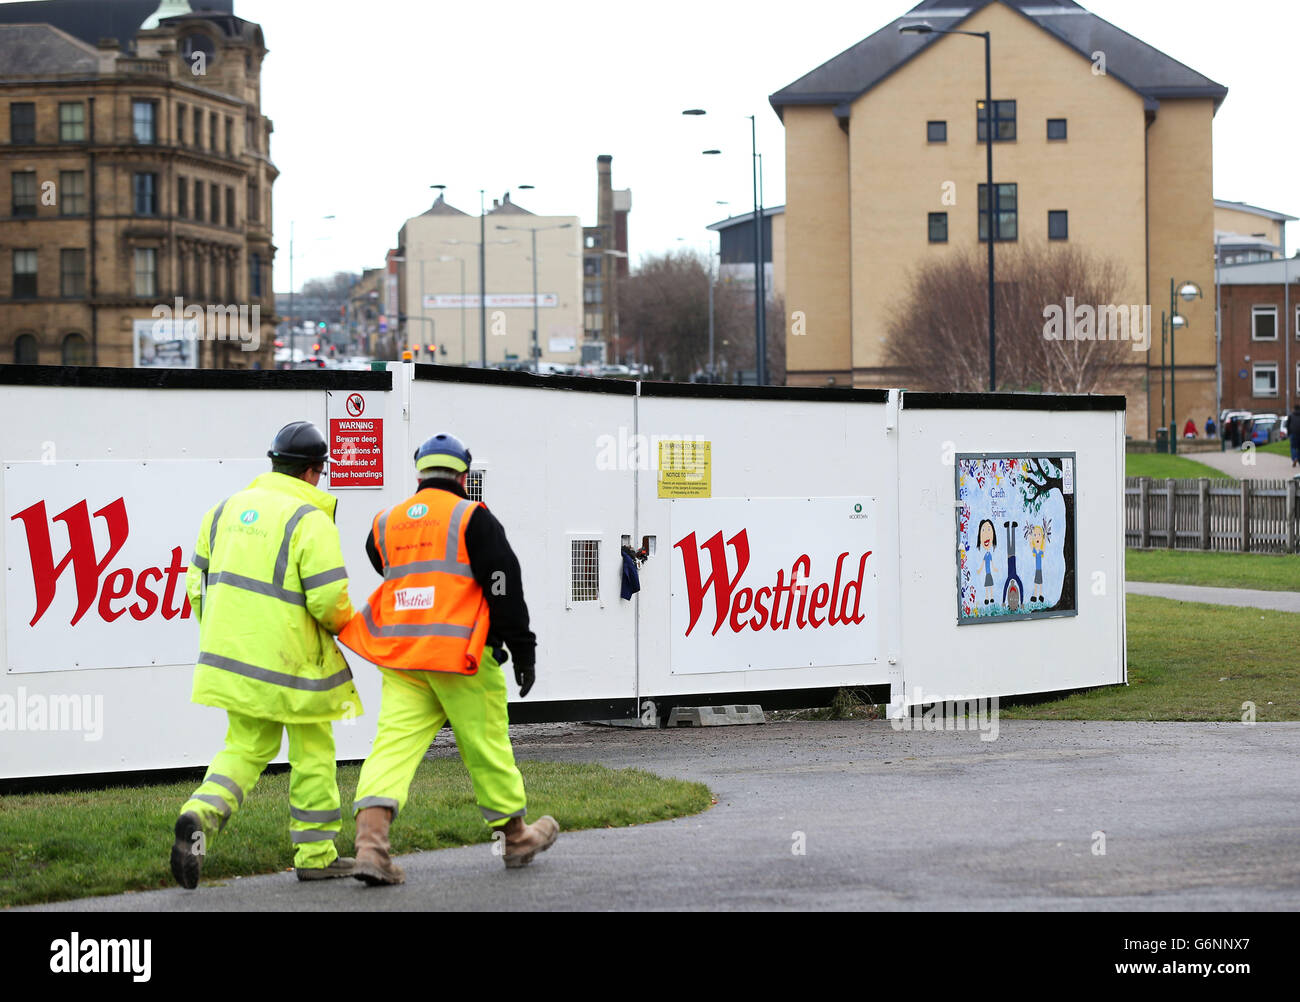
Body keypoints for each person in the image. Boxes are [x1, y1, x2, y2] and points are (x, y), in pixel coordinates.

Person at [339, 432, 557, 885]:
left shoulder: (387, 521)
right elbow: (503, 582)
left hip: (403, 659)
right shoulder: (472, 518)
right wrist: (523, 649)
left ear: (420, 472)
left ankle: (370, 849)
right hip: (462, 657)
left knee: (392, 747)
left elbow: (384, 565)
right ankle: (515, 839)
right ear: (463, 474)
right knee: (486, 745)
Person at [171, 421, 362, 889]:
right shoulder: (309, 519)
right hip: (295, 665)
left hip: (234, 661)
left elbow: (196, 587)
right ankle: (316, 854)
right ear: (314, 472)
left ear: (274, 462)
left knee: (243, 748)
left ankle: (199, 815)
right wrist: (353, 632)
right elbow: (328, 599)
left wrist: (230, 639)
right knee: (313, 751)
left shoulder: (221, 512)